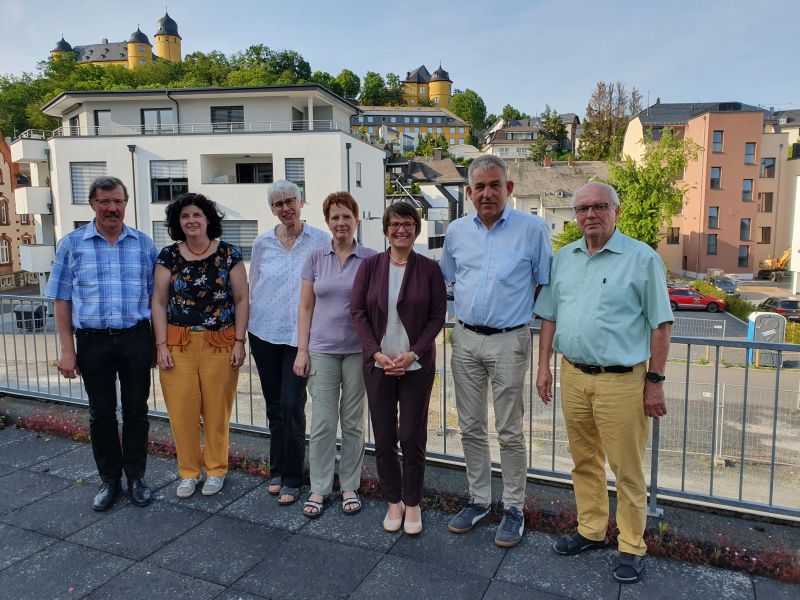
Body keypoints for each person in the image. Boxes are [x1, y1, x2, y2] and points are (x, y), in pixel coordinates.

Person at [534, 181, 673, 584]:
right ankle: (591, 530)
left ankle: (631, 545)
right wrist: (543, 367)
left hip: (622, 382)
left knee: (627, 469)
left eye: (599, 207)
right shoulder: (565, 258)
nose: (589, 215)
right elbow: (549, 317)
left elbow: (661, 326)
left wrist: (655, 381)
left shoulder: (641, 259)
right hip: (574, 376)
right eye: (582, 209)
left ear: (616, 210)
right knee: (584, 462)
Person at [441, 154, 553, 548]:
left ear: (509, 189)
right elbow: (449, 280)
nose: (487, 193)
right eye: (479, 187)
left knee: (509, 429)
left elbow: (544, 284)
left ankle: (514, 507)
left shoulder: (533, 229)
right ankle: (478, 500)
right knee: (469, 426)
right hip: (465, 337)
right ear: (469, 192)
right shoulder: (456, 232)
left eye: (495, 185)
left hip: (510, 339)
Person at [47, 176, 158, 511]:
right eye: (105, 201)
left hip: (135, 337)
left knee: (137, 411)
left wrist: (157, 343)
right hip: (92, 341)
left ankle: (136, 477)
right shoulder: (71, 244)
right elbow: (61, 300)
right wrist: (68, 350)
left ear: (126, 203)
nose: (112, 208)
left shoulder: (143, 244)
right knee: (101, 414)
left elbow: (157, 299)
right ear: (92, 204)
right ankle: (109, 480)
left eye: (118, 201)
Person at [351, 202, 446, 535]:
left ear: (416, 229)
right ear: (386, 229)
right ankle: (394, 500)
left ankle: (414, 501)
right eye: (395, 224)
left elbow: (437, 317)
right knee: (385, 435)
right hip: (379, 364)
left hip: (415, 365)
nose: (401, 230)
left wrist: (413, 353)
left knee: (411, 435)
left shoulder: (429, 269)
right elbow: (358, 312)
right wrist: (375, 353)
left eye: (407, 224)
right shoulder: (370, 266)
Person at [152, 193, 249, 499]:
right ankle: (188, 472)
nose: (191, 221)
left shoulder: (229, 254)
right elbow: (159, 300)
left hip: (219, 343)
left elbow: (242, 299)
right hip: (178, 343)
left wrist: (239, 341)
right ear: (178, 223)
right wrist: (161, 345)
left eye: (196, 215)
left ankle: (217, 469)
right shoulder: (169, 256)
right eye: (184, 217)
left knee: (216, 412)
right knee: (182, 412)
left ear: (208, 219)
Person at [293, 192, 377, 518]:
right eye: (334, 217)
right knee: (324, 422)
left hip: (358, 351)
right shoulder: (315, 258)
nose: (341, 223)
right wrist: (302, 351)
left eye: (346, 216)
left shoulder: (371, 259)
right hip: (322, 350)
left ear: (357, 220)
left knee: (353, 422)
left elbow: (378, 307)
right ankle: (320, 486)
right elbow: (305, 306)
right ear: (327, 222)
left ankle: (350, 485)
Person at [249, 180, 329, 505]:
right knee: (274, 407)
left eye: (290, 201)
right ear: (272, 209)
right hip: (264, 334)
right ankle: (278, 469)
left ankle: (295, 477)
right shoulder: (262, 243)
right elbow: (253, 286)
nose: (285, 208)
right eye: (278, 204)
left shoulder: (320, 241)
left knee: (292, 405)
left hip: (300, 339)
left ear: (301, 202)